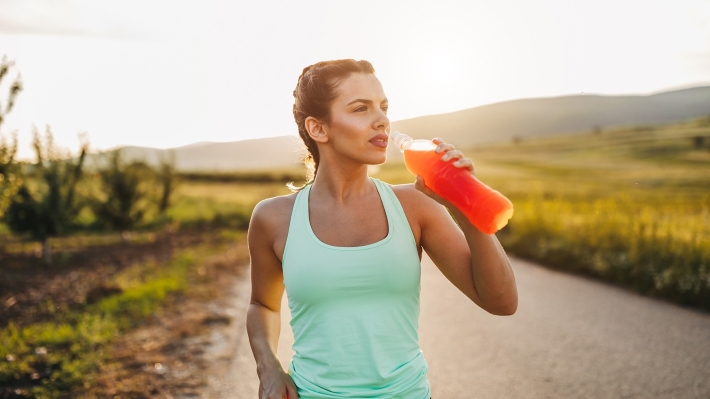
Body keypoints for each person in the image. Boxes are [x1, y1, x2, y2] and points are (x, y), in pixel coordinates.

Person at [246, 59, 518, 399]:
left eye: (384, 107)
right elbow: (263, 305)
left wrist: (465, 204)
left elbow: (502, 302)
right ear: (318, 129)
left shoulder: (415, 205)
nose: (383, 121)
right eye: (361, 109)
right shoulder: (273, 218)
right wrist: (268, 368)